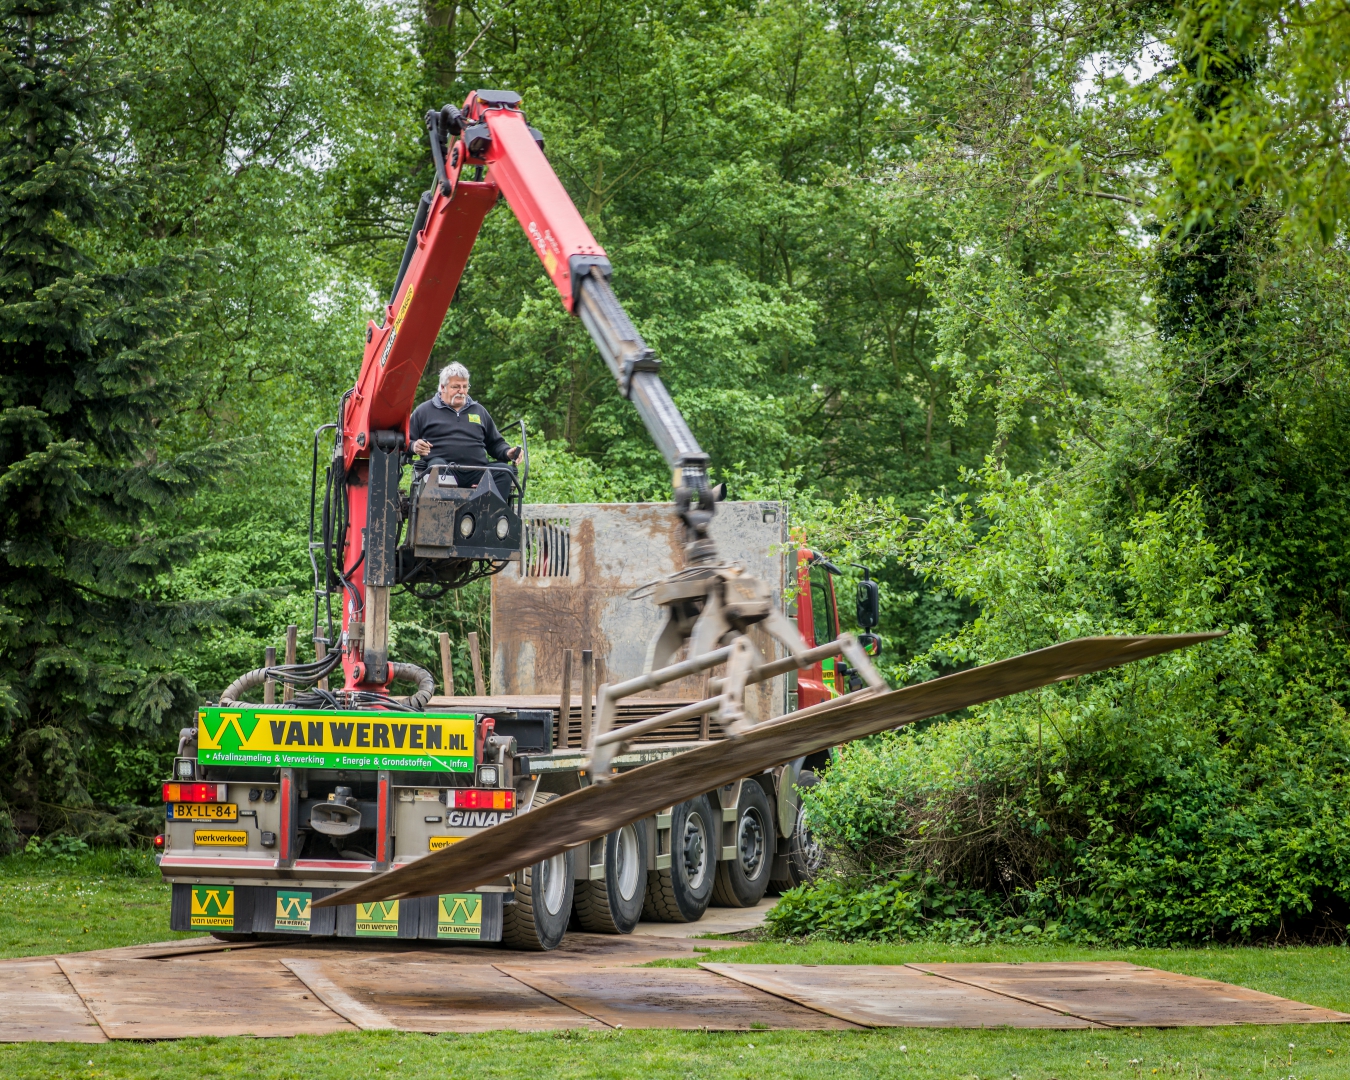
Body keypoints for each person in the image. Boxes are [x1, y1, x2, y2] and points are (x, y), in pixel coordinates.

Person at [409, 363, 521, 487]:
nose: (461, 391)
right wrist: (414, 446)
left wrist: (507, 452)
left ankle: (481, 502)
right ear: (442, 387)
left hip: (478, 471)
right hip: (444, 470)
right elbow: (406, 442)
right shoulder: (424, 411)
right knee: (436, 467)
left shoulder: (479, 411)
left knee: (505, 471)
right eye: (456, 387)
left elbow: (495, 443)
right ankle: (454, 504)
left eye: (465, 386)